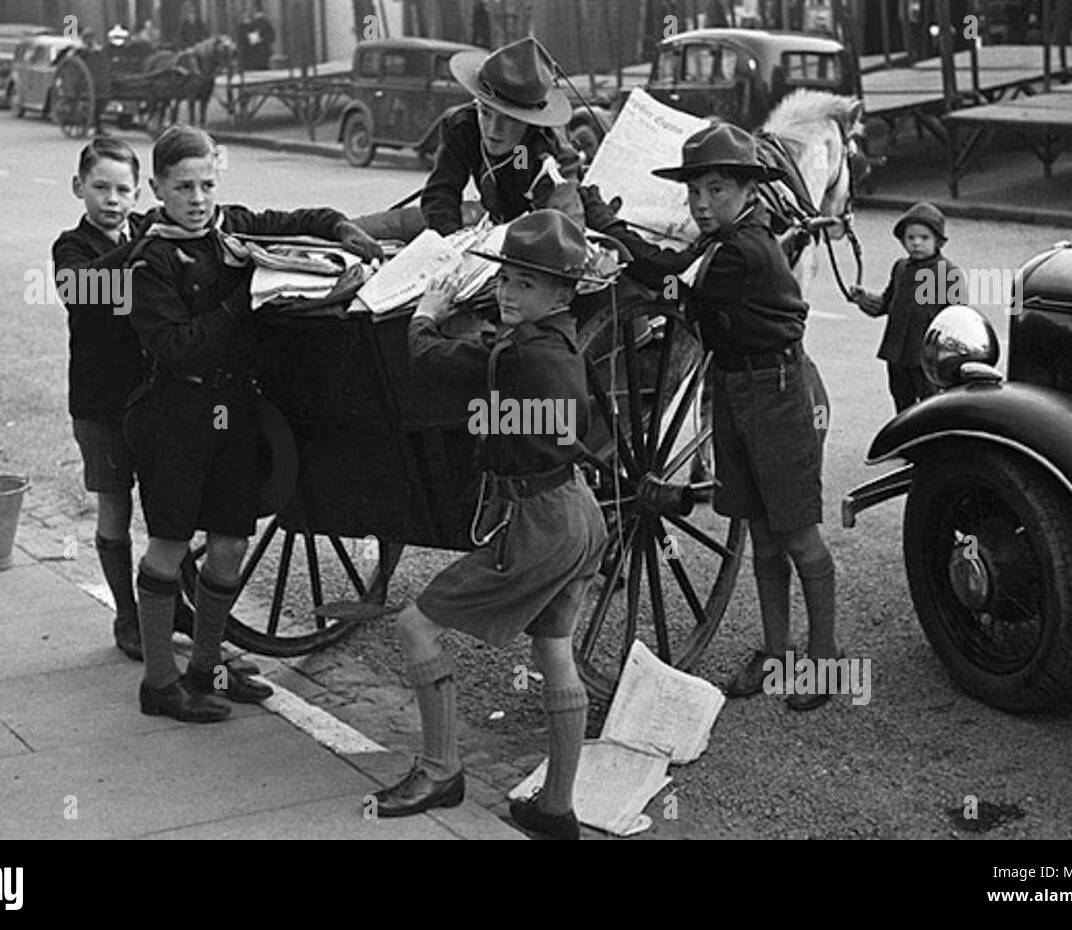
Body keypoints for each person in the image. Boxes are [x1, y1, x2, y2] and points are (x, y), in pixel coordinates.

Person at [123, 125, 382, 722]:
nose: (198, 197)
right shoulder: (150, 261)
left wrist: (341, 229)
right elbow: (181, 347)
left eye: (207, 183)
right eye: (183, 186)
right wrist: (246, 295)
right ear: (158, 187)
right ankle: (159, 683)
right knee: (167, 545)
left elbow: (302, 218)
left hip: (231, 411)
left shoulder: (230, 226)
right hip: (174, 415)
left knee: (231, 542)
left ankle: (207, 665)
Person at [584, 123, 840, 711]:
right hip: (735, 385)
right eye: (695, 192)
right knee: (761, 531)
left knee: (798, 536)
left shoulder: (743, 250)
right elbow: (675, 268)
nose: (702, 204)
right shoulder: (723, 238)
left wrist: (609, 230)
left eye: (716, 191)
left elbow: (671, 280)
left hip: (778, 391)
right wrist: (616, 232)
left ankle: (825, 661)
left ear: (749, 190)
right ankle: (778, 654)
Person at [373, 210, 608, 839]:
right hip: (580, 513)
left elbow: (429, 358)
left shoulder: (518, 356)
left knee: (415, 626)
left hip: (539, 523)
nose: (507, 293)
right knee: (553, 650)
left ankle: (440, 771)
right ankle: (556, 810)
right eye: (505, 280)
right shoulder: (557, 341)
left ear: (563, 293)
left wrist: (427, 310)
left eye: (525, 285)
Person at [53, 137, 185, 660]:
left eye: (123, 189)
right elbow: (83, 290)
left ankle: (168, 605)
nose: (112, 199)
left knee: (168, 507)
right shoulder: (71, 246)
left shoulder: (144, 232)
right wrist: (147, 242)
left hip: (152, 398)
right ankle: (127, 617)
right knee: (114, 505)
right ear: (78, 188)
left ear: (138, 193)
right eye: (100, 187)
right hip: (100, 402)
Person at [420, 37, 583, 236]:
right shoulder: (463, 128)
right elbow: (442, 193)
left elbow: (560, 223)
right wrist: (450, 242)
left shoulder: (540, 150)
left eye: (510, 119)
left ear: (529, 120)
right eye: (486, 113)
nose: (493, 129)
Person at [848, 202, 963, 414]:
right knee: (901, 401)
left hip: (926, 358)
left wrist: (948, 358)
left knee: (931, 406)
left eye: (924, 238)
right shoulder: (900, 267)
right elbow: (885, 303)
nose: (916, 243)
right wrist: (863, 299)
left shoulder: (948, 272)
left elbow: (957, 319)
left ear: (938, 241)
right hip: (897, 353)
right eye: (910, 238)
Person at [236, 2, 275, 71]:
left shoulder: (255, 24)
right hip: (253, 58)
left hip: (256, 58)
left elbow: (255, 41)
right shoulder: (245, 26)